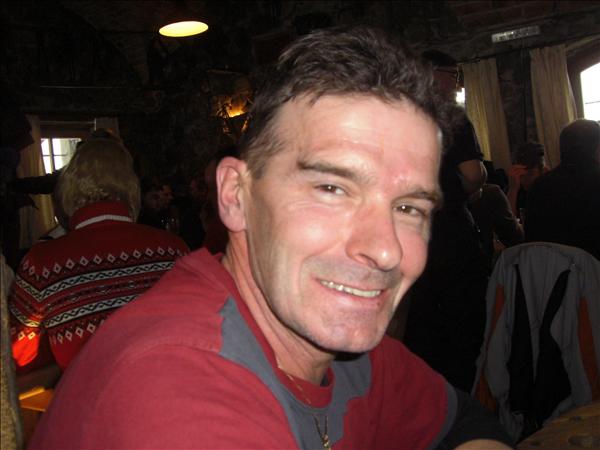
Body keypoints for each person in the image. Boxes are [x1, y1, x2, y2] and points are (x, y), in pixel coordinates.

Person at [29, 27, 511, 449]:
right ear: (236, 195)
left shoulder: (340, 344)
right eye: (331, 189)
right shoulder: (173, 389)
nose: (385, 249)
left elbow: (462, 420)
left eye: (409, 208)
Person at [8, 137, 188, 373]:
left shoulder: (42, 263)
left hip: (93, 394)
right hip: (176, 387)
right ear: (132, 188)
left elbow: (18, 353)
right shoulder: (175, 250)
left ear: (66, 189)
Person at [403, 49, 489, 393]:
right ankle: (463, 403)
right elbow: (473, 174)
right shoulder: (449, 115)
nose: (456, 84)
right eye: (452, 75)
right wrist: (468, 188)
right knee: (464, 323)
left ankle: (428, 401)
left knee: (422, 322)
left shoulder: (397, 113)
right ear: (432, 73)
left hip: (408, 232)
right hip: (448, 231)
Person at [525, 119, 600, 260]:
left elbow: (531, 240)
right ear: (596, 149)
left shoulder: (539, 186)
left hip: (550, 269)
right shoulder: (596, 182)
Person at [506, 141, 547, 221]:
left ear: (543, 171)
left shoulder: (550, 187)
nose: (525, 179)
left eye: (530, 174)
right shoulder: (514, 187)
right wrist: (513, 189)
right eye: (520, 174)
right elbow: (509, 222)